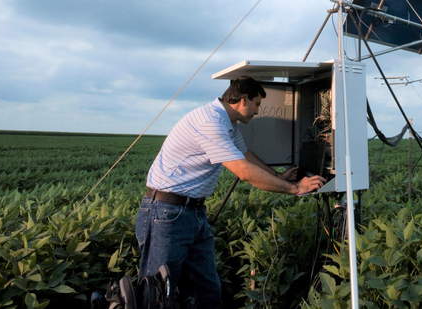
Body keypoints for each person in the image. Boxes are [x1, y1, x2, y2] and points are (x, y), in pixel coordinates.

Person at [135, 76, 325, 307]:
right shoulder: (210, 121)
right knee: (158, 292)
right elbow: (243, 171)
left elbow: (245, 155)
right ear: (243, 100)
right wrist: (295, 188)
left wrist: (277, 177)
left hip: (192, 213)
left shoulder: (228, 123)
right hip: (166, 212)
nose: (257, 111)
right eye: (256, 104)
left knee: (206, 288)